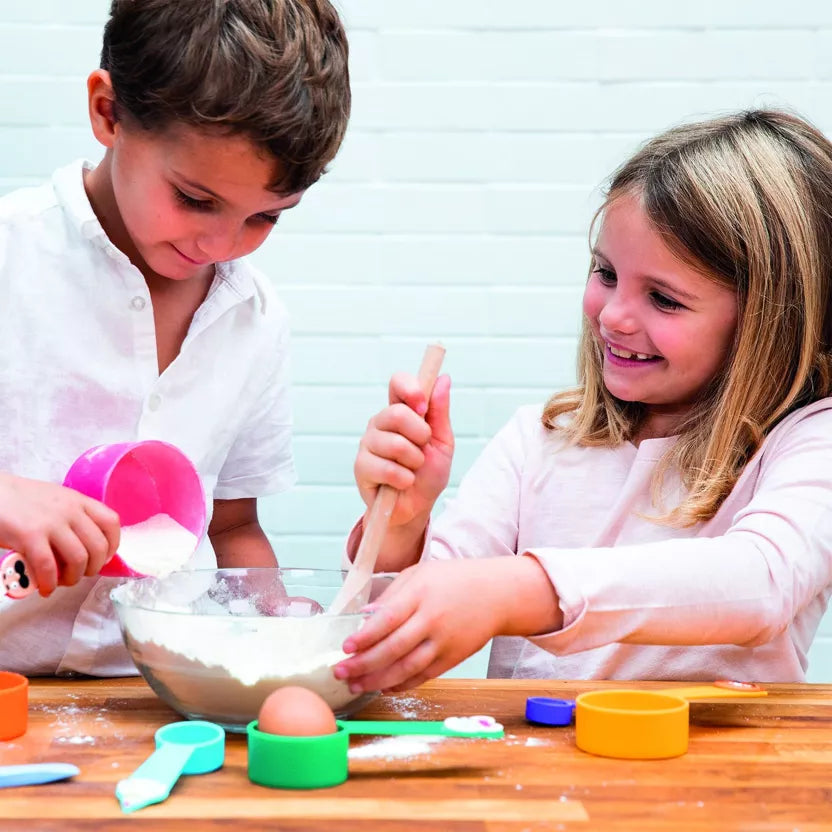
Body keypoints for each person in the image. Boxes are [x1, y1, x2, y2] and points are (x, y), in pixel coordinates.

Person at [335, 109, 832, 694]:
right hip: (539, 778)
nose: (614, 316)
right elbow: (384, 627)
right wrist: (402, 524)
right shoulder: (539, 441)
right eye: (605, 273)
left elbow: (760, 581)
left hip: (715, 779)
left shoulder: (807, 443)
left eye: (665, 300)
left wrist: (517, 590)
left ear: (769, 322)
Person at [0, 0, 350, 675]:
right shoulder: (12, 258)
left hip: (154, 696)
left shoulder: (255, 318)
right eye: (195, 199)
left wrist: (271, 623)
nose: (222, 245)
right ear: (108, 112)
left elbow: (232, 526)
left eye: (266, 218)